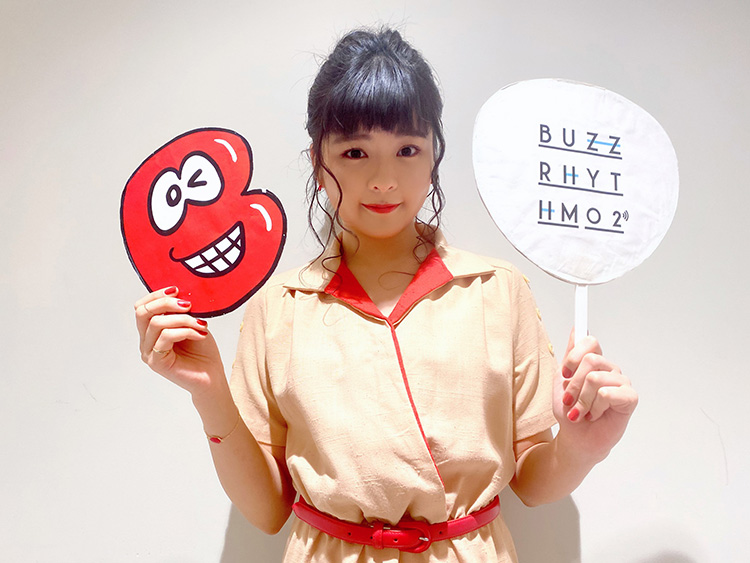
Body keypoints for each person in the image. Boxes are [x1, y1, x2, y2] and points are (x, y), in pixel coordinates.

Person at [134, 27, 638, 562]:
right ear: (318, 162)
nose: (383, 179)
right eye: (355, 152)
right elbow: (267, 510)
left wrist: (582, 448)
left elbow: (533, 483)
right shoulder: (279, 308)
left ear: (434, 155)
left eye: (407, 149)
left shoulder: (497, 291)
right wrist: (210, 392)